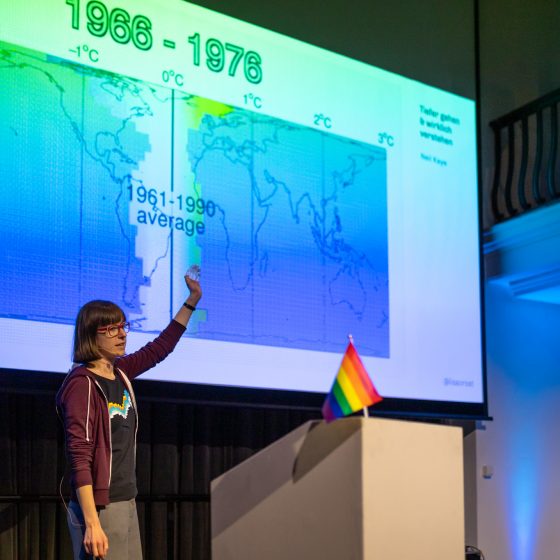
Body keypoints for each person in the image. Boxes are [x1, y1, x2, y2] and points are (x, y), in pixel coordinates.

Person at [56, 272, 201, 559]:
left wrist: (192, 300)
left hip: (125, 499)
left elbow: (160, 348)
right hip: (100, 507)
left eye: (123, 326)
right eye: (112, 329)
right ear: (91, 334)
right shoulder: (82, 384)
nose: (122, 334)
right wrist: (92, 523)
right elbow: (80, 455)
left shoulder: (120, 372)